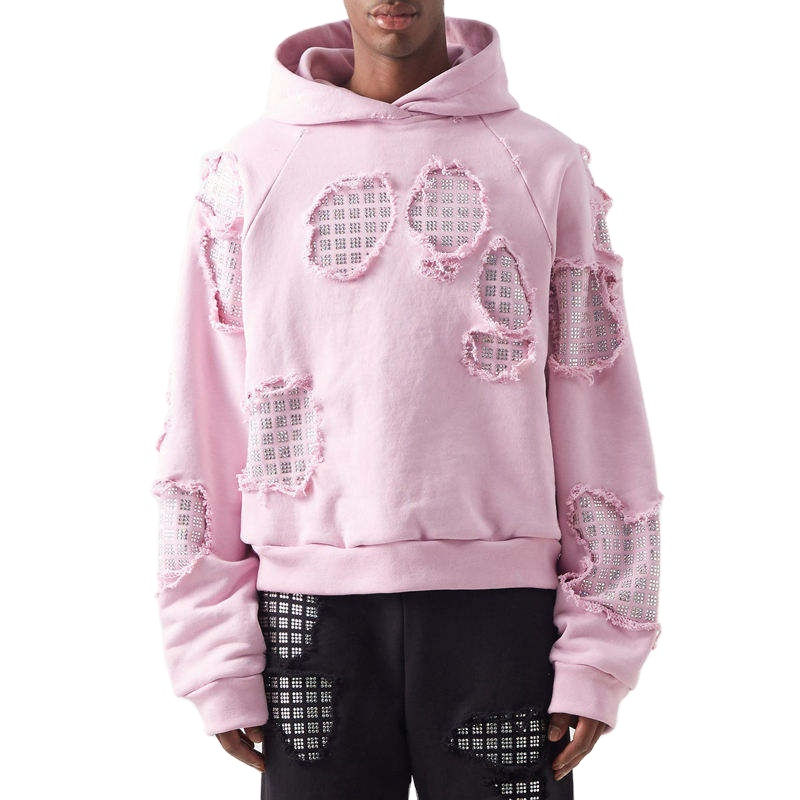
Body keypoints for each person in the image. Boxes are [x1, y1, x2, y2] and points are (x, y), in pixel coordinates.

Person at [153, 2, 661, 797]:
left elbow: (597, 401)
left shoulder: (543, 164)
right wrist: (211, 651)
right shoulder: (249, 169)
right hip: (305, 616)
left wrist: (601, 643)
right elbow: (204, 411)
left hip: (503, 618)